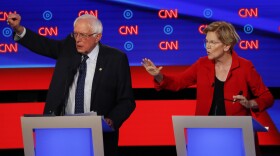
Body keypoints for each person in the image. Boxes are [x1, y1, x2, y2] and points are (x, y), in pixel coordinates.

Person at [7, 13, 136, 156]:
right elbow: (43, 45)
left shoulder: (116, 59)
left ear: (97, 37)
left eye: (83, 35)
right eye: (75, 34)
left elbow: (127, 101)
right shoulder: (68, 49)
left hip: (99, 136)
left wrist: (111, 120)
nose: (78, 40)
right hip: (62, 131)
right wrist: (19, 29)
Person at [142, 21, 274, 116]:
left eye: (212, 42)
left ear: (227, 46)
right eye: (207, 42)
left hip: (236, 133)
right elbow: (177, 82)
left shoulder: (245, 67)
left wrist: (250, 103)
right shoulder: (202, 64)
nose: (207, 47)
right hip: (205, 131)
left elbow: (267, 98)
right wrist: (157, 76)